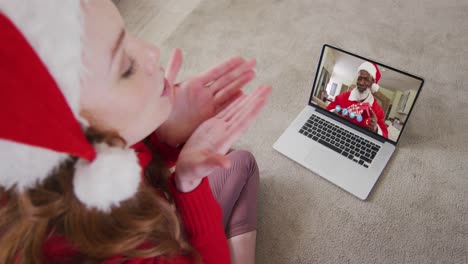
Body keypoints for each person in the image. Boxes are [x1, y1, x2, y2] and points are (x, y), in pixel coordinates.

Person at [0, 1, 272, 263]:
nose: (152, 51)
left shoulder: (57, 170)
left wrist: (163, 136)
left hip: (161, 222)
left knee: (236, 162)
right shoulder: (114, 252)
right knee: (241, 165)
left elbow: (136, 158)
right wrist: (189, 185)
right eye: (126, 67)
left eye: (128, 34)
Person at [326, 62, 388, 138]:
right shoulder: (342, 97)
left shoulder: (377, 110)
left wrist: (375, 129)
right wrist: (336, 113)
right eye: (359, 78)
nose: (361, 83)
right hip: (337, 135)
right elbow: (326, 112)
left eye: (366, 80)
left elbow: (385, 136)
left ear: (373, 83)